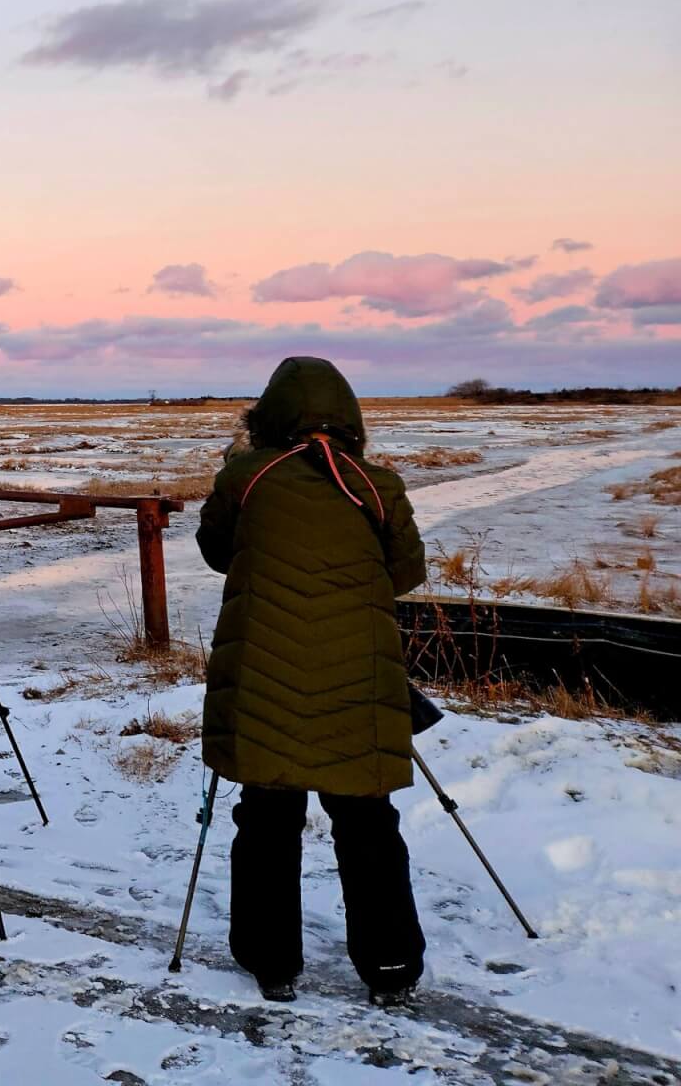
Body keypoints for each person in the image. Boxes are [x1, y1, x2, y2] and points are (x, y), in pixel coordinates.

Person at [198, 355, 429, 1006]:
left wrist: (231, 472)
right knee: (367, 822)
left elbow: (217, 552)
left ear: (269, 416)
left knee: (268, 820)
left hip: (265, 674)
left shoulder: (248, 478)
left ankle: (272, 963)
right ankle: (390, 966)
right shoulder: (377, 484)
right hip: (357, 678)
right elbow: (405, 573)